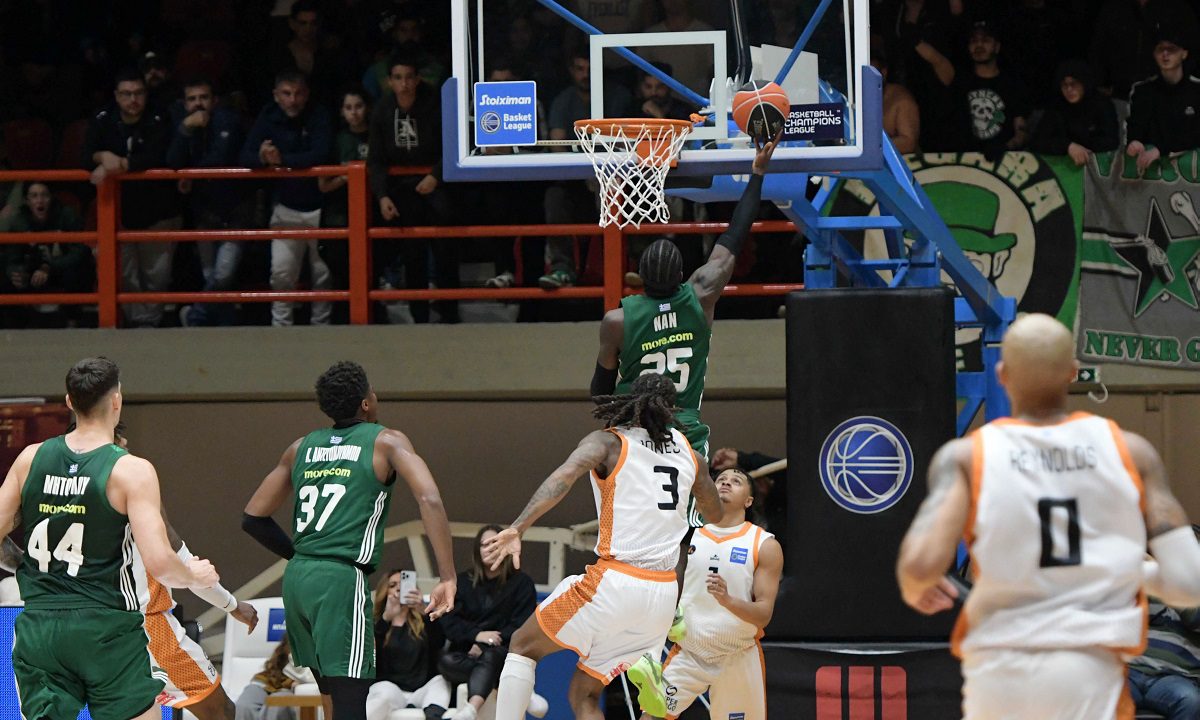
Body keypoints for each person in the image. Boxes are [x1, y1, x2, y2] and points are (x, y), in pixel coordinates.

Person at [896, 313, 1200, 719]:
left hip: (1001, 673)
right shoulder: (1132, 452)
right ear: (1073, 372)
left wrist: (916, 585)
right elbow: (1188, 583)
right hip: (1089, 671)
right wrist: (1126, 569)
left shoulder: (966, 457)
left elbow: (919, 567)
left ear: (1002, 375)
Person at [483, 373, 724, 720]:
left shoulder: (610, 443)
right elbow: (714, 514)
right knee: (584, 692)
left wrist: (518, 527)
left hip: (614, 583)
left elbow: (564, 477)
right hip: (662, 595)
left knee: (523, 645)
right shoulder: (690, 455)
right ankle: (646, 664)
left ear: (630, 402)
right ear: (671, 409)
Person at [0, 357, 219, 720]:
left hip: (40, 626)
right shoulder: (131, 470)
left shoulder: (30, 459)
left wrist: (20, 564)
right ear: (117, 400)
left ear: (69, 401)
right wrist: (194, 575)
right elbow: (161, 563)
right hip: (107, 627)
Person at [242, 360, 458, 720]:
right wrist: (448, 575)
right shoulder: (386, 441)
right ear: (366, 402)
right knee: (351, 703)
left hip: (298, 580)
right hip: (340, 580)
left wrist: (303, 556)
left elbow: (253, 518)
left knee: (329, 696)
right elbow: (430, 499)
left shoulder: (300, 448)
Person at [592, 135, 778, 526]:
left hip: (630, 429)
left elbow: (599, 391)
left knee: (631, 524)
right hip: (684, 428)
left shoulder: (617, 321)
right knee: (691, 527)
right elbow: (734, 236)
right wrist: (757, 174)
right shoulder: (702, 294)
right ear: (682, 275)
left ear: (639, 278)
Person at [641, 467, 783, 720]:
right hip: (690, 652)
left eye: (736, 481)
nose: (726, 483)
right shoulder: (687, 536)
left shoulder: (765, 545)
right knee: (652, 716)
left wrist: (728, 600)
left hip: (737, 655)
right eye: (721, 480)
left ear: (748, 500)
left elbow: (763, 615)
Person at [83, 68, 182, 328]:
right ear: (117, 96)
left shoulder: (160, 117)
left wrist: (121, 164)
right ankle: (138, 326)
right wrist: (101, 156)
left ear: (146, 94)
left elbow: (162, 155)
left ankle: (148, 326)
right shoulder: (103, 118)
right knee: (125, 276)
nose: (133, 100)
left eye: (138, 93)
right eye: (126, 94)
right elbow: (85, 154)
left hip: (159, 210)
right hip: (118, 213)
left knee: (157, 277)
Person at [367, 50, 459, 324]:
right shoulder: (382, 110)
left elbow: (453, 144)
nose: (404, 84)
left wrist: (435, 175)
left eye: (409, 77)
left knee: (445, 249)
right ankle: (418, 317)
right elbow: (376, 159)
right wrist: (381, 195)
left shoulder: (436, 104)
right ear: (389, 81)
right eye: (398, 78)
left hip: (437, 184)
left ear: (418, 79)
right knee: (412, 252)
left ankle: (450, 314)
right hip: (403, 189)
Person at [241, 68, 334, 327]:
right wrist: (262, 157)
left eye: (298, 93)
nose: (293, 100)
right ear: (276, 95)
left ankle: (322, 330)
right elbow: (245, 155)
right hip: (286, 207)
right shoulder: (268, 115)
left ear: (307, 94)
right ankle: (280, 330)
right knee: (281, 273)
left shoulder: (319, 115)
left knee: (323, 274)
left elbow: (322, 153)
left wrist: (282, 160)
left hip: (322, 208)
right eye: (287, 93)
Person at [168, 77, 250, 327]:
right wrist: (185, 128)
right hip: (203, 211)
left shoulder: (228, 120)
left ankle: (194, 316)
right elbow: (172, 161)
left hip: (234, 209)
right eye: (192, 99)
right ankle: (223, 329)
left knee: (222, 275)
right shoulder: (184, 124)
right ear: (185, 104)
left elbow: (220, 158)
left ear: (214, 101)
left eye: (203, 98)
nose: (198, 104)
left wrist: (190, 175)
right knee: (210, 275)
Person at [437, 525, 541, 720]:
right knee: (446, 661)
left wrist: (487, 644)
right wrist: (476, 636)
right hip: (467, 654)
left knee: (492, 657)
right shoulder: (461, 582)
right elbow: (450, 622)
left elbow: (521, 625)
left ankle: (471, 709)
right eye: (484, 545)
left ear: (505, 548)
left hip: (504, 652)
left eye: (495, 544)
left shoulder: (522, 583)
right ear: (477, 549)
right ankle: (517, 686)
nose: (489, 549)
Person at [920, 19, 1030, 159]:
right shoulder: (959, 79)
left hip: (1004, 162)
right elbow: (936, 60)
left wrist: (1006, 148)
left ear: (997, 47)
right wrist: (913, 38)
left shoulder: (1012, 84)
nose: (979, 45)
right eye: (973, 41)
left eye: (985, 40)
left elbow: (1021, 131)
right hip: (964, 160)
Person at [0, 181, 93, 329]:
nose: (40, 200)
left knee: (80, 268)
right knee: (5, 276)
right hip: (32, 273)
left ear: (51, 198)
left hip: (61, 270)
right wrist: (16, 272)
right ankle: (15, 328)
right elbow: (11, 257)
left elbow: (80, 251)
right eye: (34, 196)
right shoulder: (19, 221)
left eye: (44, 195)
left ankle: (73, 320)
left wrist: (49, 267)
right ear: (27, 201)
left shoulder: (66, 214)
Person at [367, 570, 451, 720]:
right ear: (384, 592)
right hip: (391, 689)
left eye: (404, 584)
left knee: (441, 682)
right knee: (384, 691)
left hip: (421, 690)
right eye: (393, 585)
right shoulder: (377, 623)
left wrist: (424, 612)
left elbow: (439, 643)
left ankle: (434, 716)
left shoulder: (424, 621)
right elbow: (370, 656)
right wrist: (386, 619)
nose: (399, 588)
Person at [319, 86, 371, 306]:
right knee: (341, 271)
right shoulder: (336, 140)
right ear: (341, 111)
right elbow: (323, 185)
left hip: (373, 211)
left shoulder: (378, 136)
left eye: (358, 106)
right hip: (340, 213)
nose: (354, 112)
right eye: (348, 108)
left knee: (373, 268)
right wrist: (346, 176)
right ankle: (343, 317)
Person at [1125, 29, 1200, 175]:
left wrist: (1161, 150)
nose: (1165, 54)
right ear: (1154, 54)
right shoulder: (1142, 91)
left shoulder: (1197, 90)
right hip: (1151, 174)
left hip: (1190, 175)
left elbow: (1195, 133)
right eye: (1160, 49)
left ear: (1184, 53)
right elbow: (1135, 125)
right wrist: (1134, 141)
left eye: (1172, 49)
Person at [1030, 59, 1120, 166]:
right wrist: (1068, 146)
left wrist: (1081, 146)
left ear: (1084, 82)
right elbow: (1037, 141)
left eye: (1074, 84)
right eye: (1064, 85)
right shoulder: (1057, 106)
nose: (1069, 89)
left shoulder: (1101, 105)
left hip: (1096, 168)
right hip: (1062, 168)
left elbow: (1111, 141)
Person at [1127, 589, 1200, 719]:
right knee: (1100, 691)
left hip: (1175, 677)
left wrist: (1173, 590)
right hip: (1132, 670)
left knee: (1190, 699)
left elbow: (1195, 620)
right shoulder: (1150, 589)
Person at [235, 635, 316, 720]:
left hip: (290, 688)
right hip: (268, 680)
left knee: (277, 704)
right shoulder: (293, 638)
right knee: (244, 706)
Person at [872, 49, 921, 154]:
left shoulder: (902, 101)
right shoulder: (853, 99)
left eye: (872, 75)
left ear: (884, 73)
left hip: (901, 162)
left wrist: (868, 147)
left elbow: (909, 143)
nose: (868, 80)